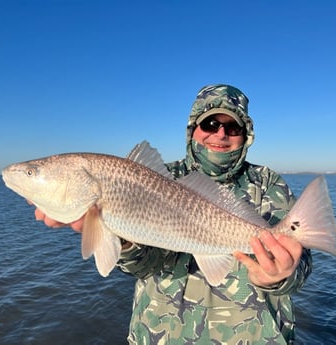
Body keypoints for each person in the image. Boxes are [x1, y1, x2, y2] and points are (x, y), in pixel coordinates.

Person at [35, 84, 313, 344]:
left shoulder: (268, 183)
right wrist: (122, 239)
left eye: (232, 126)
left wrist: (282, 275)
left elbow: (302, 266)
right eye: (210, 123)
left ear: (246, 135)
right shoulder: (161, 178)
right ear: (193, 129)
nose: (220, 134)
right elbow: (147, 266)